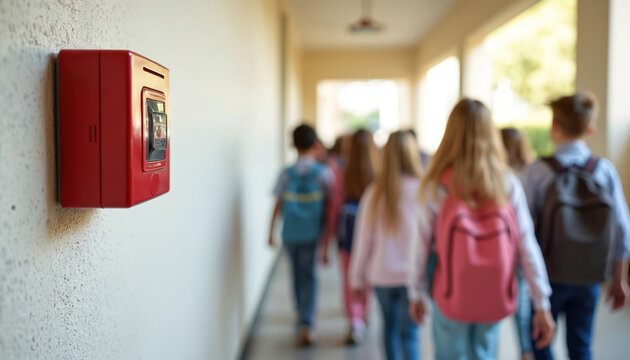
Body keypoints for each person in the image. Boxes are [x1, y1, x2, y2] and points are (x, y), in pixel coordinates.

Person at [407, 99, 556, 360]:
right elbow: (526, 245)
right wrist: (541, 302)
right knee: (484, 353)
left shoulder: (436, 186)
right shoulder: (507, 183)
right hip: (494, 294)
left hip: (450, 293)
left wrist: (415, 291)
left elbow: (419, 246)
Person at [520, 93, 630, 360]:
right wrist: (620, 279)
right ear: (590, 129)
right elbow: (623, 231)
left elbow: (521, 230)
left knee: (540, 341)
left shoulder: (537, 172)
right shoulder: (604, 170)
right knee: (581, 346)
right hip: (590, 276)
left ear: (553, 126)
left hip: (547, 277)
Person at [350, 131, 422, 360]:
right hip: (414, 277)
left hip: (382, 275)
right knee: (410, 334)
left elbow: (363, 241)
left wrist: (356, 279)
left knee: (389, 329)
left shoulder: (374, 193)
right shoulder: (424, 191)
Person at [268, 124, 334, 347]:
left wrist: (270, 232)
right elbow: (330, 206)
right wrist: (328, 236)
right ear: (316, 144)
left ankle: (300, 313)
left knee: (296, 275)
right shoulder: (323, 173)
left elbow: (277, 204)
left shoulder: (286, 174)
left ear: (293, 145)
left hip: (290, 233)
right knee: (310, 276)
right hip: (312, 233)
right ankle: (307, 323)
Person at [338, 129, 380, 345]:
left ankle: (355, 321)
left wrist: (327, 239)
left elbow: (335, 207)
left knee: (349, 277)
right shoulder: (379, 172)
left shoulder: (342, 171)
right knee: (368, 276)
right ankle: (365, 311)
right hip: (373, 235)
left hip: (347, 233)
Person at [501, 127, 535, 360]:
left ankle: (525, 349)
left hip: (503, 249)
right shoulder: (531, 171)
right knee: (522, 307)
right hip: (522, 248)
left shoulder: (501, 176)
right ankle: (525, 350)